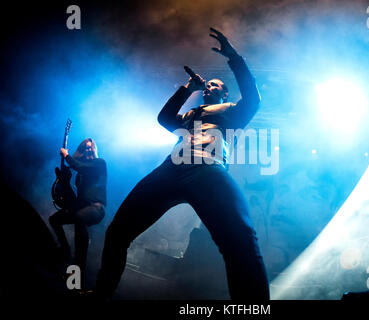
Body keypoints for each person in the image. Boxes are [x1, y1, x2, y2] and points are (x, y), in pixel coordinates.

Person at [94, 28, 269, 300]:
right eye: (207, 85)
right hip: (171, 168)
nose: (209, 87)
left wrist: (234, 57)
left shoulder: (231, 111)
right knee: (118, 231)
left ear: (224, 93)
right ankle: (102, 293)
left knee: (240, 239)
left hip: (206, 166)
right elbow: (165, 119)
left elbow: (254, 99)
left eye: (214, 85)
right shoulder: (189, 113)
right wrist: (188, 89)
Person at [49, 138, 107, 288]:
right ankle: (65, 250)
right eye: (84, 148)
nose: (88, 150)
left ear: (94, 149)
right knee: (54, 220)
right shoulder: (80, 175)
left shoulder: (100, 163)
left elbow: (79, 166)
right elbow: (75, 194)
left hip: (96, 208)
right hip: (82, 207)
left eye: (90, 148)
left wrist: (67, 156)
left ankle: (78, 269)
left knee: (79, 217)